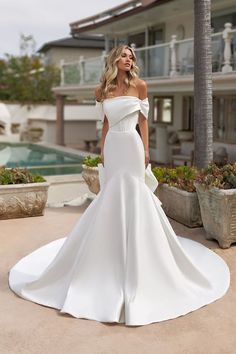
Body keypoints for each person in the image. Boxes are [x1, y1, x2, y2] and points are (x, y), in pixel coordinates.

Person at [9, 45, 230, 326]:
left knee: (135, 194)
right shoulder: (102, 91)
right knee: (112, 196)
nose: (128, 59)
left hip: (132, 145)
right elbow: (104, 124)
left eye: (131, 56)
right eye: (124, 55)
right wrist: (103, 150)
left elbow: (143, 122)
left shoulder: (140, 85)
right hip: (114, 145)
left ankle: (142, 257)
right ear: (114, 59)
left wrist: (147, 151)